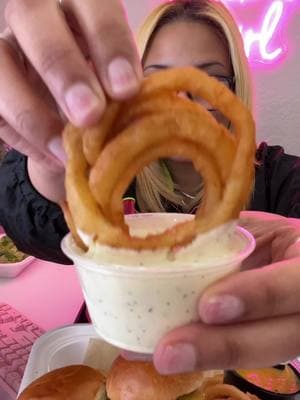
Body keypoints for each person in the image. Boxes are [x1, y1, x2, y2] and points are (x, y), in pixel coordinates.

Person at [0, 0, 299, 374]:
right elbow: (35, 228)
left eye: (210, 82)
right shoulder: (109, 169)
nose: (179, 101)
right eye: (156, 79)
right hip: (110, 351)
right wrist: (50, 154)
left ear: (235, 90)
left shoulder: (281, 177)